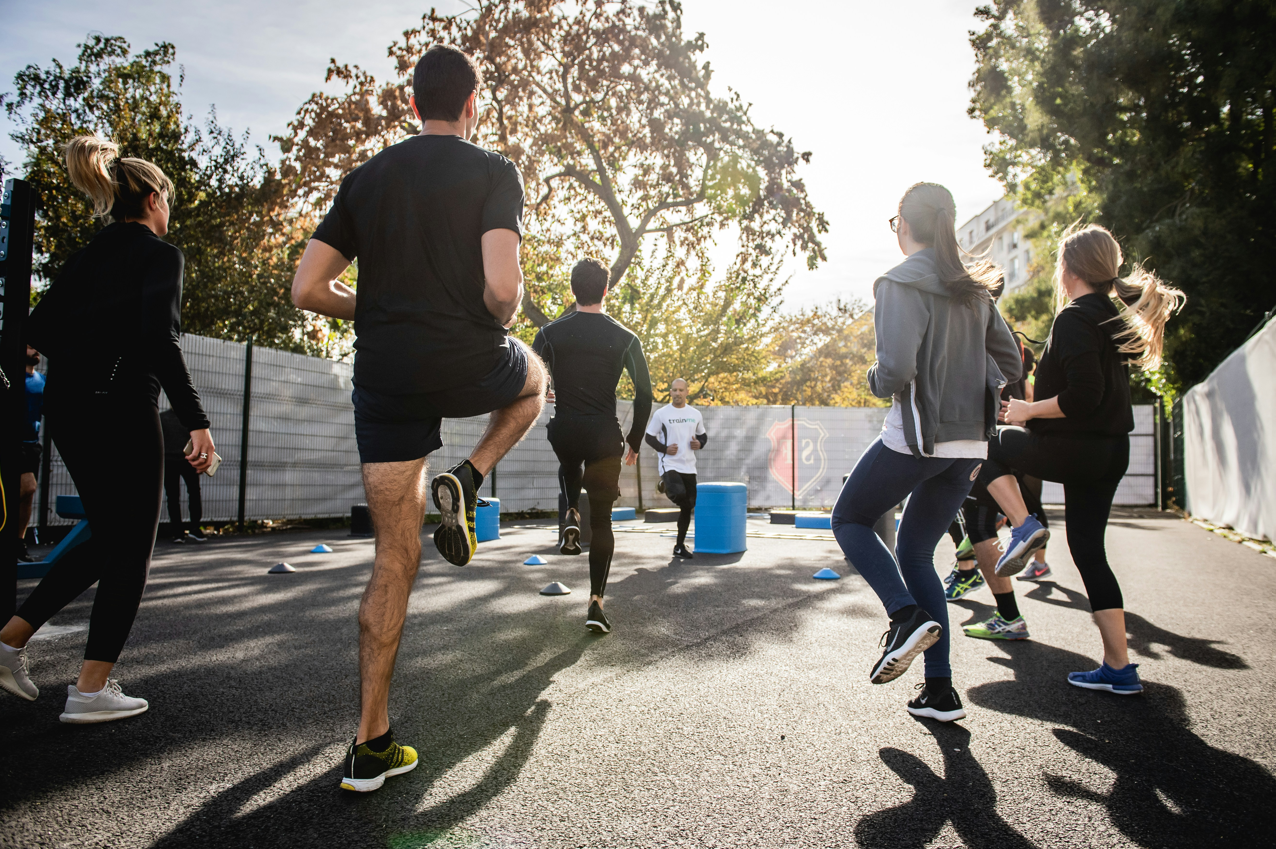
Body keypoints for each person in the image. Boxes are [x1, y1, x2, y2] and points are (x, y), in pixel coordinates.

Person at [290, 45, 547, 793]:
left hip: (387, 376)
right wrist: (496, 314)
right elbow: (503, 289)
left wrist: (370, 306)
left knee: (392, 561)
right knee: (534, 381)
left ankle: (370, 742)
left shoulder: (366, 180)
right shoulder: (494, 170)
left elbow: (308, 287)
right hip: (468, 361)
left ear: (413, 106)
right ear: (473, 107)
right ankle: (469, 473)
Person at [0, 135, 216, 722]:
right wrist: (195, 421)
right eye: (167, 201)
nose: (168, 213)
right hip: (123, 409)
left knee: (107, 538)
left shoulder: (90, 255)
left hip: (69, 412)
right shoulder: (159, 255)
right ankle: (90, 690)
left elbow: (35, 329)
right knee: (132, 549)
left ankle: (8, 641)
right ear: (151, 199)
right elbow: (160, 341)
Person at [828, 182, 1021, 723]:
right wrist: (982, 414)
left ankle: (903, 614)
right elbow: (1011, 361)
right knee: (915, 554)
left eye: (894, 224)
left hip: (918, 437)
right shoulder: (976, 291)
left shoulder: (897, 281)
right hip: (969, 446)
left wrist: (872, 377)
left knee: (849, 517)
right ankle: (940, 692)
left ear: (905, 226)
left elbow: (895, 372)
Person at [981, 223, 1184, 695]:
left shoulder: (1073, 317)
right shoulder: (1111, 315)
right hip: (1110, 451)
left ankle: (1024, 525)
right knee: (1089, 552)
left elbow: (1084, 396)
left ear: (1068, 268)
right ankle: (1119, 667)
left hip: (1077, 448)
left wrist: (1030, 410)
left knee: (986, 446)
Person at [532, 258, 653, 634]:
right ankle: (596, 603)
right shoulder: (626, 337)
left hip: (566, 429)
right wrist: (634, 440)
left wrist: (547, 389)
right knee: (602, 521)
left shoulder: (550, 333)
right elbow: (645, 395)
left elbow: (530, 376)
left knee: (569, 461)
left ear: (573, 289)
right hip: (604, 436)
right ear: (605, 289)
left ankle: (570, 510)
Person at [645, 378, 707, 559]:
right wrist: (664, 449)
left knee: (688, 506)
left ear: (687, 392)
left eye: (681, 390)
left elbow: (703, 436)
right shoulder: (662, 414)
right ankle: (666, 483)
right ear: (670, 392)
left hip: (689, 466)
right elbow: (649, 437)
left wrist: (699, 444)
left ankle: (679, 547)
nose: (678, 393)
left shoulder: (695, 414)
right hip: (669, 464)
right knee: (679, 495)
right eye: (674, 390)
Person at [16, 346, 45, 563]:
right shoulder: (8, 377)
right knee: (28, 486)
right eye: (30, 346)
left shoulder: (42, 381)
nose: (36, 351)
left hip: (32, 444)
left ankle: (18, 543)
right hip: (12, 444)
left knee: (27, 497)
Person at [160, 408, 204, 543]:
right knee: (190, 493)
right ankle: (189, 530)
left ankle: (182, 532)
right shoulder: (190, 417)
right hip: (179, 461)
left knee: (176, 497)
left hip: (179, 461)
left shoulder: (163, 417)